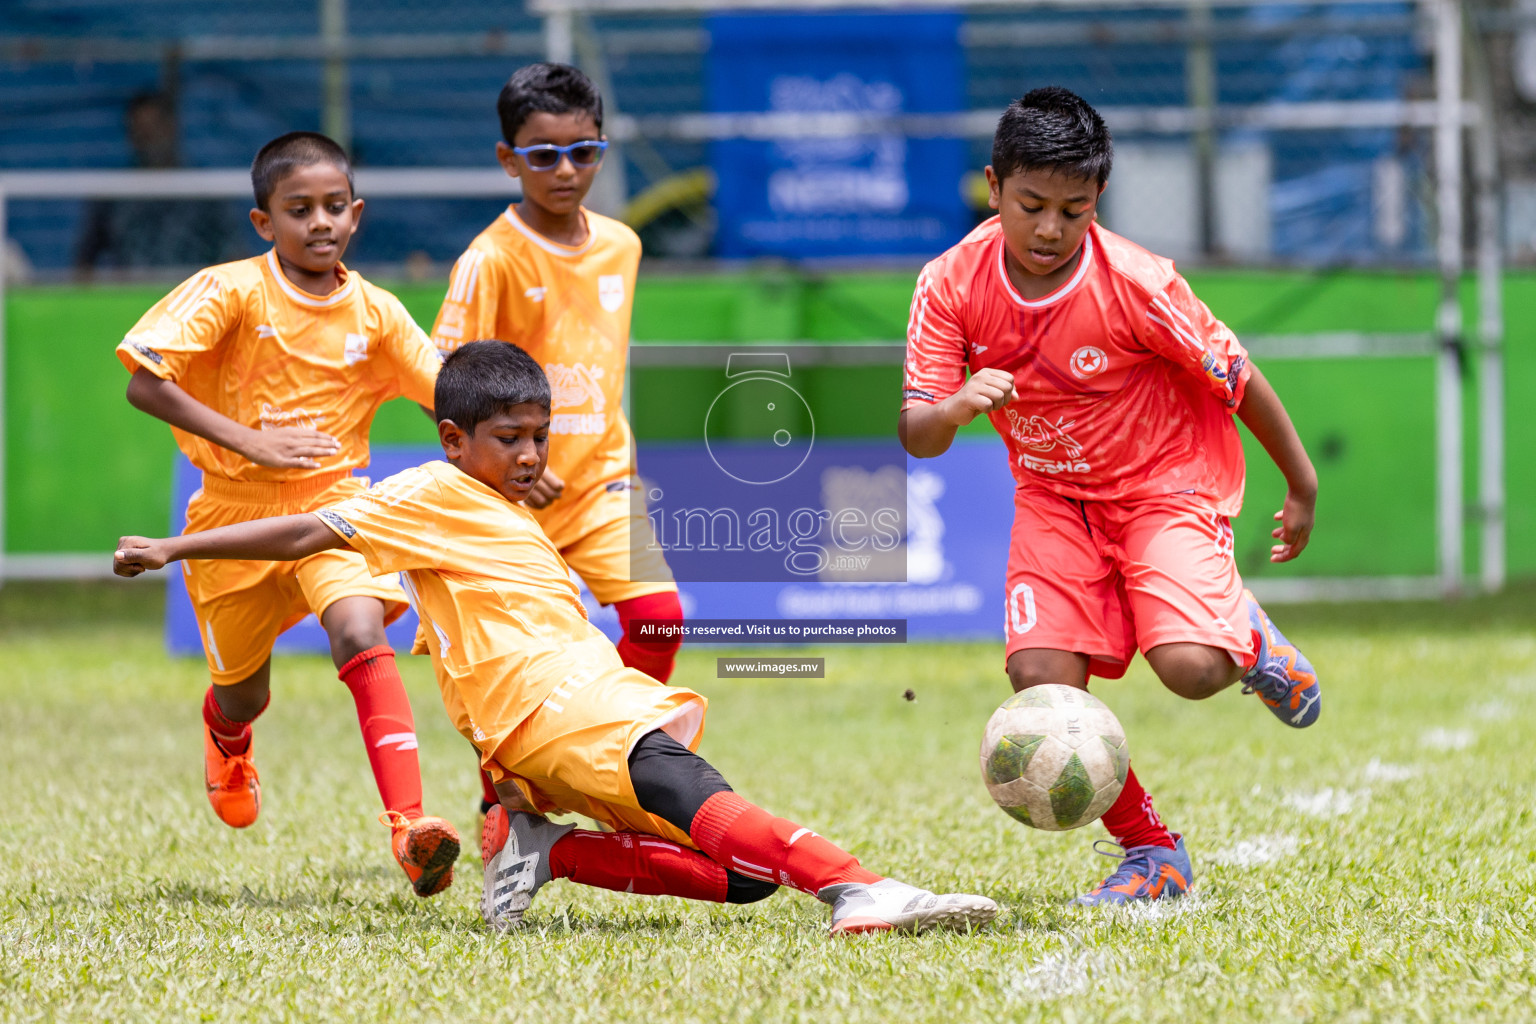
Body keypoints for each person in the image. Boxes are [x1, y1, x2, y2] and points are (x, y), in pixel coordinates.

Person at [112, 340, 999, 936]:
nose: (533, 455)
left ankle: (549, 851)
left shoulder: (501, 503)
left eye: (539, 436)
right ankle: (859, 888)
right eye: (511, 440)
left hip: (547, 710)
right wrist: (174, 548)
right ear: (454, 440)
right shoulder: (427, 492)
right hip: (551, 701)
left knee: (742, 877)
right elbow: (306, 532)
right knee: (676, 772)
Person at [898, 88, 1322, 907]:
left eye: (1074, 209)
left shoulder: (1139, 283)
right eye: (1031, 206)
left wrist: (1301, 484)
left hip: (1166, 487)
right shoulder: (949, 283)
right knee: (1040, 678)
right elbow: (920, 431)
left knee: (1191, 671)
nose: (1051, 229)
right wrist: (954, 406)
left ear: (1099, 199)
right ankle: (1154, 853)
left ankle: (1250, 639)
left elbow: (1240, 380)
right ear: (993, 186)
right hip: (1054, 497)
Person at [114, 131, 460, 898]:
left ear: (357, 213)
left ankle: (410, 828)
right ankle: (227, 736)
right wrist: (250, 442)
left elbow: (448, 393)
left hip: (336, 506)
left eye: (335, 207)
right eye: (298, 209)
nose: (320, 223)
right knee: (246, 693)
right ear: (263, 221)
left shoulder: (377, 312)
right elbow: (144, 379)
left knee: (360, 627)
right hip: (231, 520)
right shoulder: (230, 289)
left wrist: (521, 447)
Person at [430, 63, 684, 820]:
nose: (566, 169)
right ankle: (505, 810)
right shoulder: (490, 260)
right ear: (509, 160)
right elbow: (445, 377)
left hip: (604, 480)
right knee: (509, 664)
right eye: (543, 155)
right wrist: (506, 463)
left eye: (584, 151)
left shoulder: (622, 245)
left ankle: (614, 763)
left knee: (660, 618)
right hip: (511, 502)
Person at [76, 91, 237, 275]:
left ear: (172, 128)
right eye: (140, 131)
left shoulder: (205, 194)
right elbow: (83, 265)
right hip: (133, 298)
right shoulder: (113, 195)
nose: (148, 139)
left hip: (193, 297)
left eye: (154, 128)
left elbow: (233, 256)